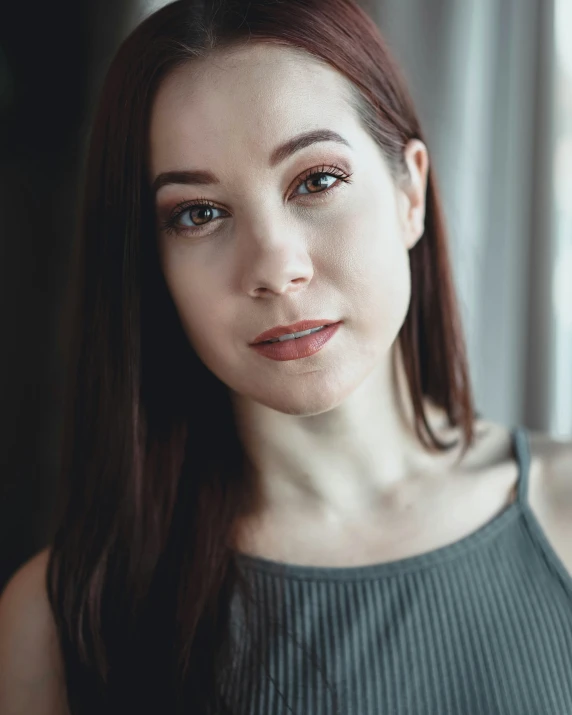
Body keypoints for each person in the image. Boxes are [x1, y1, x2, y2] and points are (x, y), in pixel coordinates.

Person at [1, 0, 571, 713]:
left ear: (410, 192)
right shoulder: (56, 625)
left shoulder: (565, 512)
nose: (274, 266)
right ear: (150, 264)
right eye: (198, 213)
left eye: (316, 180)